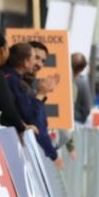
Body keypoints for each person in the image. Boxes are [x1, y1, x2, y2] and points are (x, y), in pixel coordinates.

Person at [26, 40, 63, 169]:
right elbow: (34, 123)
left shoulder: (30, 87)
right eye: (36, 58)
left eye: (43, 61)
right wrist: (41, 94)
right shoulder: (17, 83)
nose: (39, 64)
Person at [72, 53, 92, 125]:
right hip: (77, 122)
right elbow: (86, 107)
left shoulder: (59, 80)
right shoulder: (82, 83)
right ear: (83, 68)